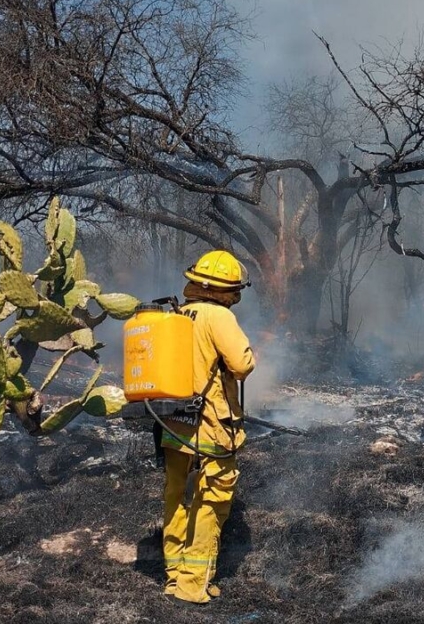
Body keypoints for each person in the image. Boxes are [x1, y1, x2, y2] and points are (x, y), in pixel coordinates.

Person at [161, 250, 255, 605]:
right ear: (228, 289)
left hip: (172, 422)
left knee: (176, 496)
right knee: (212, 499)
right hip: (211, 424)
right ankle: (192, 583)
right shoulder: (219, 316)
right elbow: (242, 364)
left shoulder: (179, 313)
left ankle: (174, 577)